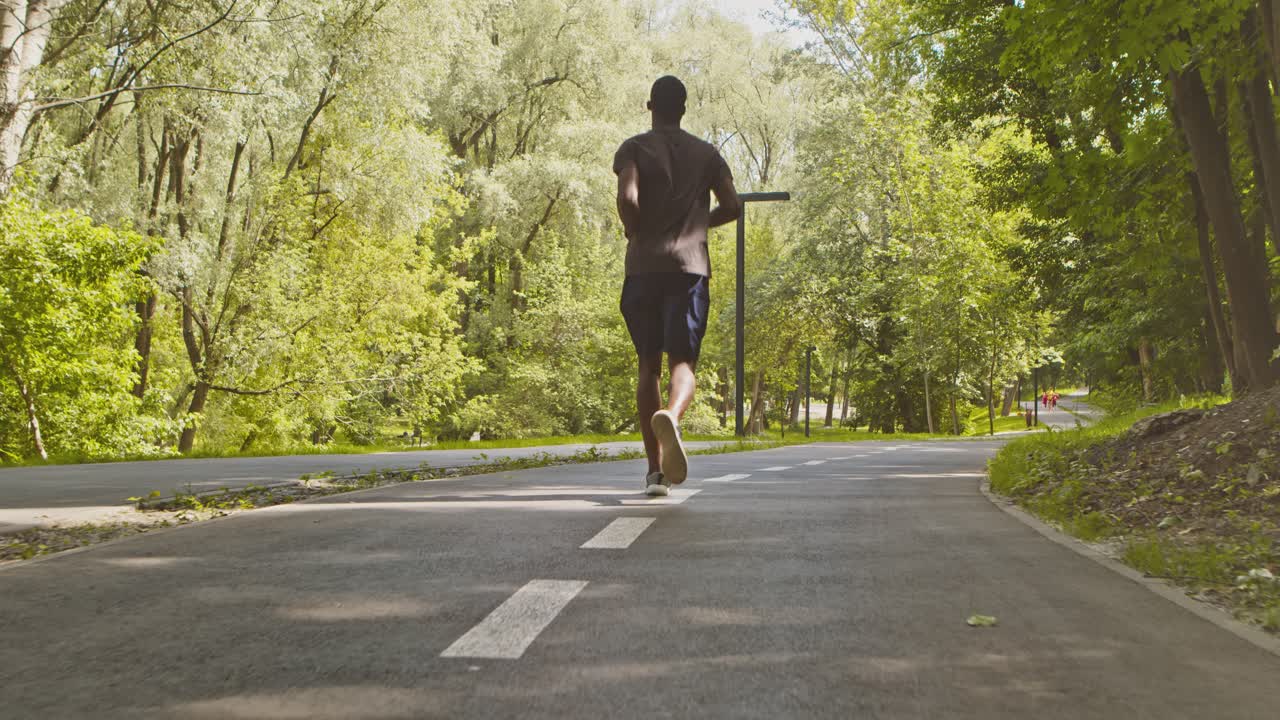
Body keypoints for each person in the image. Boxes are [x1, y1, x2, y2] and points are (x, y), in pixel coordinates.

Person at [613, 75, 741, 497]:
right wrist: (698, 224)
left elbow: (628, 199)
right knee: (682, 363)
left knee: (647, 365)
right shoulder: (707, 154)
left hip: (643, 268)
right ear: (684, 108)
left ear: (650, 106)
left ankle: (656, 474)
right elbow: (733, 206)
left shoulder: (633, 148)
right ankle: (672, 413)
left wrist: (636, 231)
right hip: (689, 268)